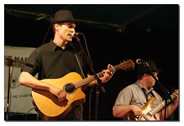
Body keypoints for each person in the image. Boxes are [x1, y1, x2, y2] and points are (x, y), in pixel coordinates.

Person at [18, 9, 113, 120]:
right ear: (57, 27)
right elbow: (24, 78)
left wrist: (100, 79)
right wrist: (50, 88)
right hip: (50, 109)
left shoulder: (78, 52)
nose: (73, 30)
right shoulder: (41, 52)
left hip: (74, 110)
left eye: (74, 27)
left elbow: (84, 80)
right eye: (69, 26)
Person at [112, 60, 179, 120]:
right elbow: (115, 112)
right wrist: (131, 107)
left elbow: (160, 117)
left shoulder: (156, 95)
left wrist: (175, 104)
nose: (157, 78)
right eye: (155, 76)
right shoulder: (129, 90)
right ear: (145, 75)